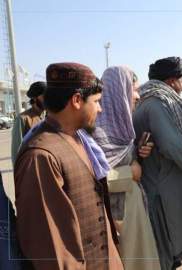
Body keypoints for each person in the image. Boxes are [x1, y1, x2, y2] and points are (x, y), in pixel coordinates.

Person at [13, 62, 123, 269]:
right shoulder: (40, 156)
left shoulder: (77, 137)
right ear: (76, 100)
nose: (100, 109)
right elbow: (51, 247)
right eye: (97, 101)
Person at [133, 57, 182, 270]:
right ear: (173, 80)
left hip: (158, 176)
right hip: (161, 181)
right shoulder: (157, 103)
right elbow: (170, 145)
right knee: (164, 239)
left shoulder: (149, 98)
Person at [92, 66, 160, 270]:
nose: (138, 96)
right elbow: (92, 176)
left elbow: (120, 159)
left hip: (135, 210)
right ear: (118, 90)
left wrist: (137, 154)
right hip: (117, 218)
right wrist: (129, 172)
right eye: (134, 89)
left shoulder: (122, 124)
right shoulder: (95, 131)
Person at [11, 81, 46, 165]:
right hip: (31, 170)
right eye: (45, 96)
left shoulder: (47, 116)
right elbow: (16, 152)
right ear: (34, 98)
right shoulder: (22, 119)